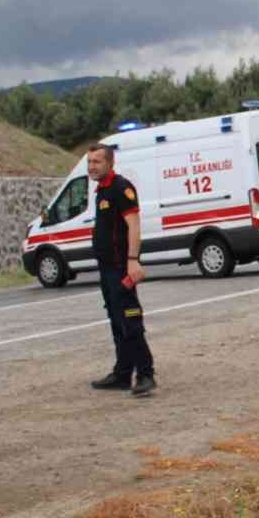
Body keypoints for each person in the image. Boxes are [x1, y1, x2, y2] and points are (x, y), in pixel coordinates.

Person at [85, 143, 157, 397]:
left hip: (120, 267)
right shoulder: (101, 191)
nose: (92, 166)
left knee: (130, 319)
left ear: (110, 163)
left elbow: (134, 225)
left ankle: (146, 373)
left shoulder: (120, 188)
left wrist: (133, 260)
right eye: (90, 162)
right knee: (116, 320)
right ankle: (123, 373)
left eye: (97, 161)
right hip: (107, 269)